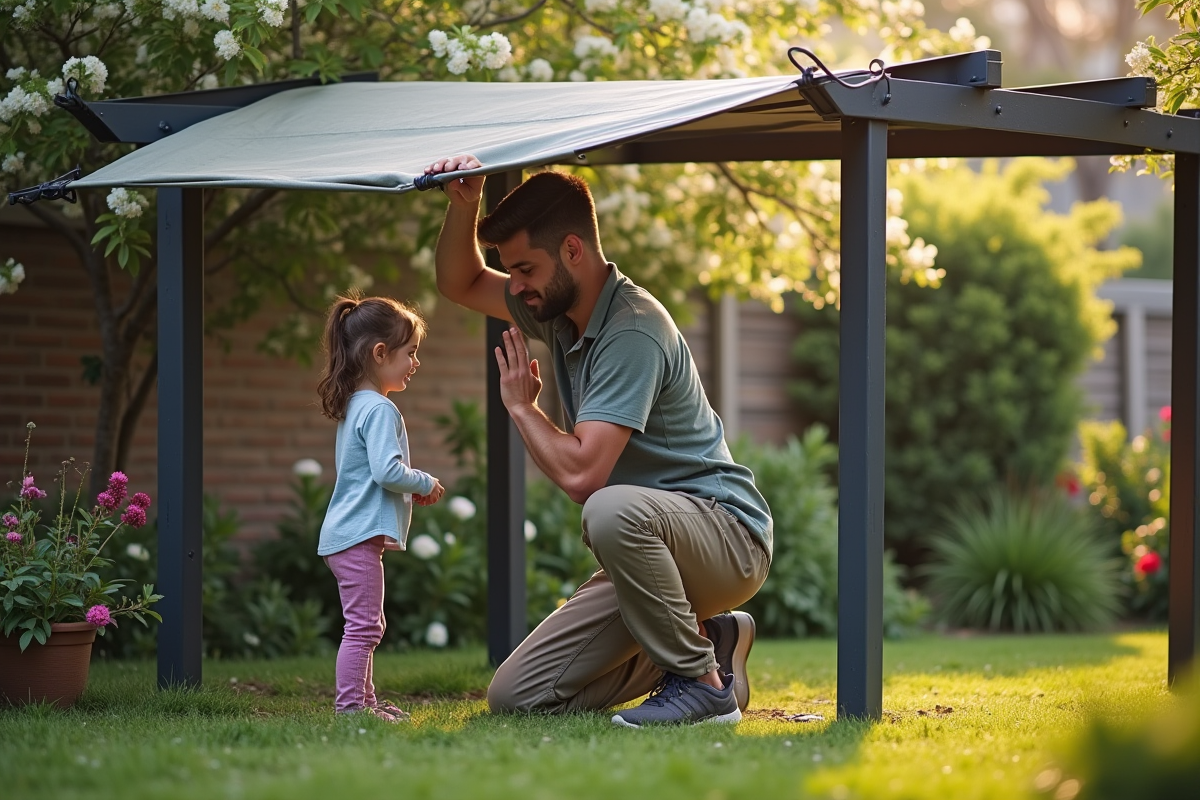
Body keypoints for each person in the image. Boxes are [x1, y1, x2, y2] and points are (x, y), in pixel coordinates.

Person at [425, 155, 772, 727]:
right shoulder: (559, 312)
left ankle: (701, 685)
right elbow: (459, 282)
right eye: (510, 271)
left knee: (607, 508)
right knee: (517, 697)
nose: (516, 287)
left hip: (725, 535)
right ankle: (711, 640)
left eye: (525, 269)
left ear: (572, 251)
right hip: (650, 548)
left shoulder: (632, 327)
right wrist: (464, 207)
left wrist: (521, 407)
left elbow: (586, 477)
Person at [315, 294, 446, 722]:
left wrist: (410, 490)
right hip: (355, 537)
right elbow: (387, 471)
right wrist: (423, 480)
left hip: (350, 536)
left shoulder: (357, 404)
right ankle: (352, 709)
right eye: (411, 353)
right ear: (379, 353)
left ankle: (366, 704)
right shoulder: (380, 409)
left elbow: (373, 474)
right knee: (365, 628)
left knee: (368, 625)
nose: (416, 362)